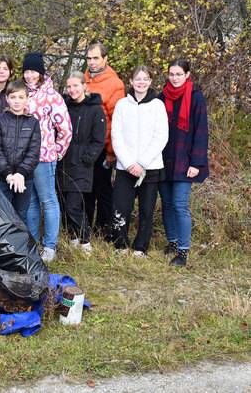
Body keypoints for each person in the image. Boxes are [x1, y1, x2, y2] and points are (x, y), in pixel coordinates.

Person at [110, 66, 168, 256]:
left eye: (145, 79)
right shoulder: (122, 105)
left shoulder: (158, 105)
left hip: (150, 167)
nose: (141, 82)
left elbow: (161, 136)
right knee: (121, 207)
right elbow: (116, 136)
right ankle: (120, 245)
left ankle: (140, 247)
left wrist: (141, 163)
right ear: (131, 82)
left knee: (146, 209)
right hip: (125, 167)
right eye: (138, 79)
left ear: (150, 82)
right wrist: (128, 163)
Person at [22, 53, 72, 263]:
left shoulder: (52, 96)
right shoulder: (21, 93)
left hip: (44, 158)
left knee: (48, 200)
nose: (30, 75)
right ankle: (33, 242)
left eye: (33, 71)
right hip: (24, 158)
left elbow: (65, 129)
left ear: (41, 73)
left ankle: (50, 245)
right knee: (31, 202)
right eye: (26, 71)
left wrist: (55, 152)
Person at [158, 59, 209, 267]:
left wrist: (196, 162)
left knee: (180, 204)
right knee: (167, 204)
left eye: (179, 74)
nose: (175, 78)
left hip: (185, 160)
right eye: (172, 74)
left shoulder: (196, 97)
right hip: (162, 159)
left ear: (187, 75)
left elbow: (201, 131)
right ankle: (172, 241)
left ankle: (183, 251)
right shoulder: (161, 97)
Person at [58, 72, 106, 252]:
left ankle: (85, 240)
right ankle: (72, 237)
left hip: (82, 165)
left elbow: (98, 139)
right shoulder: (64, 106)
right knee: (64, 204)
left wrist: (87, 158)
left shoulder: (95, 109)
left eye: (76, 86)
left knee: (74, 204)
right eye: (69, 87)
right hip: (63, 162)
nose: (72, 90)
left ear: (85, 86)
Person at [84, 43, 125, 238]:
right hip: (84, 145)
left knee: (103, 189)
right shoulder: (83, 78)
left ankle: (103, 229)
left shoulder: (114, 84)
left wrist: (111, 152)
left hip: (103, 146)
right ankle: (85, 228)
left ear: (105, 59)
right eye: (89, 58)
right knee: (86, 188)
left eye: (95, 58)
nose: (92, 62)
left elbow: (116, 121)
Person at [0, 80, 40, 222]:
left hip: (24, 179)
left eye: (21, 97)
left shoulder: (33, 123)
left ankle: (19, 245)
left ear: (27, 99)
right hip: (2, 178)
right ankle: (3, 245)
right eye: (13, 97)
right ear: (7, 99)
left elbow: (34, 152)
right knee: (2, 216)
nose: (17, 101)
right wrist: (8, 174)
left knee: (20, 215)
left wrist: (21, 174)